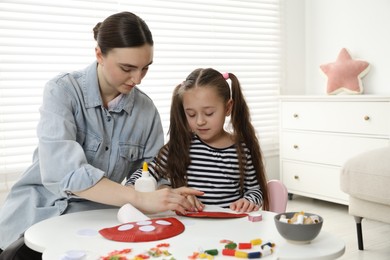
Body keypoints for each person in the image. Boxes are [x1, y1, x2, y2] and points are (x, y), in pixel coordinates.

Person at [0, 11, 202, 259]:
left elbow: (153, 172)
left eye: (145, 68)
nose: (137, 79)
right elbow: (65, 174)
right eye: (127, 68)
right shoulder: (62, 91)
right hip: (33, 218)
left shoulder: (146, 111)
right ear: (99, 54)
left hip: (92, 223)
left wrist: (168, 195)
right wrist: (140, 198)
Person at [127, 68, 270, 213]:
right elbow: (148, 172)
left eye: (209, 113)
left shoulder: (241, 149)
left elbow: (254, 190)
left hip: (229, 225)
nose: (200, 121)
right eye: (191, 114)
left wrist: (248, 201)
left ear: (228, 107)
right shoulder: (181, 145)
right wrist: (131, 188)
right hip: (190, 226)